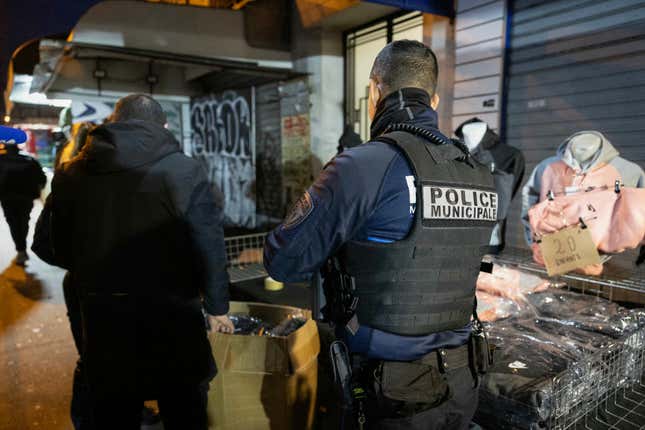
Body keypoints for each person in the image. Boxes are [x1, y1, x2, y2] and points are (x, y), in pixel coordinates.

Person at [264, 40, 496, 429]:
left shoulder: (361, 167)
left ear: (374, 90)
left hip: (390, 392)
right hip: (463, 380)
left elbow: (284, 261)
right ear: (434, 101)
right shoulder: (478, 173)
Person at [32, 94, 233, 430]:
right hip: (174, 314)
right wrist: (217, 306)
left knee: (113, 409)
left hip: (103, 317)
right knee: (184, 406)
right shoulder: (184, 171)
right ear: (164, 126)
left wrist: (89, 264)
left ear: (113, 124)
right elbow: (209, 245)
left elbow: (48, 247)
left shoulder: (72, 173)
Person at [0, 125, 46, 265]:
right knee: (23, 221)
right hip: (26, 199)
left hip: (7, 198)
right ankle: (22, 248)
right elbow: (42, 179)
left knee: (13, 223)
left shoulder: (1, 161)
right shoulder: (30, 160)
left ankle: (21, 249)